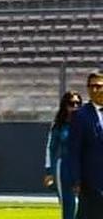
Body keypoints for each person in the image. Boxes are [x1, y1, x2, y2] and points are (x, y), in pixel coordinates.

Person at [70, 71, 103, 219]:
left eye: (98, 86)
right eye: (91, 86)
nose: (94, 90)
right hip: (91, 184)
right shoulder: (80, 115)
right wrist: (76, 179)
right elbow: (74, 150)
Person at [45, 91, 82, 219]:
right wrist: (49, 171)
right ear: (65, 105)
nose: (75, 107)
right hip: (64, 168)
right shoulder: (58, 126)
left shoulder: (86, 123)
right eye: (72, 104)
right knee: (69, 205)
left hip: (84, 167)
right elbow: (51, 148)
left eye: (78, 104)